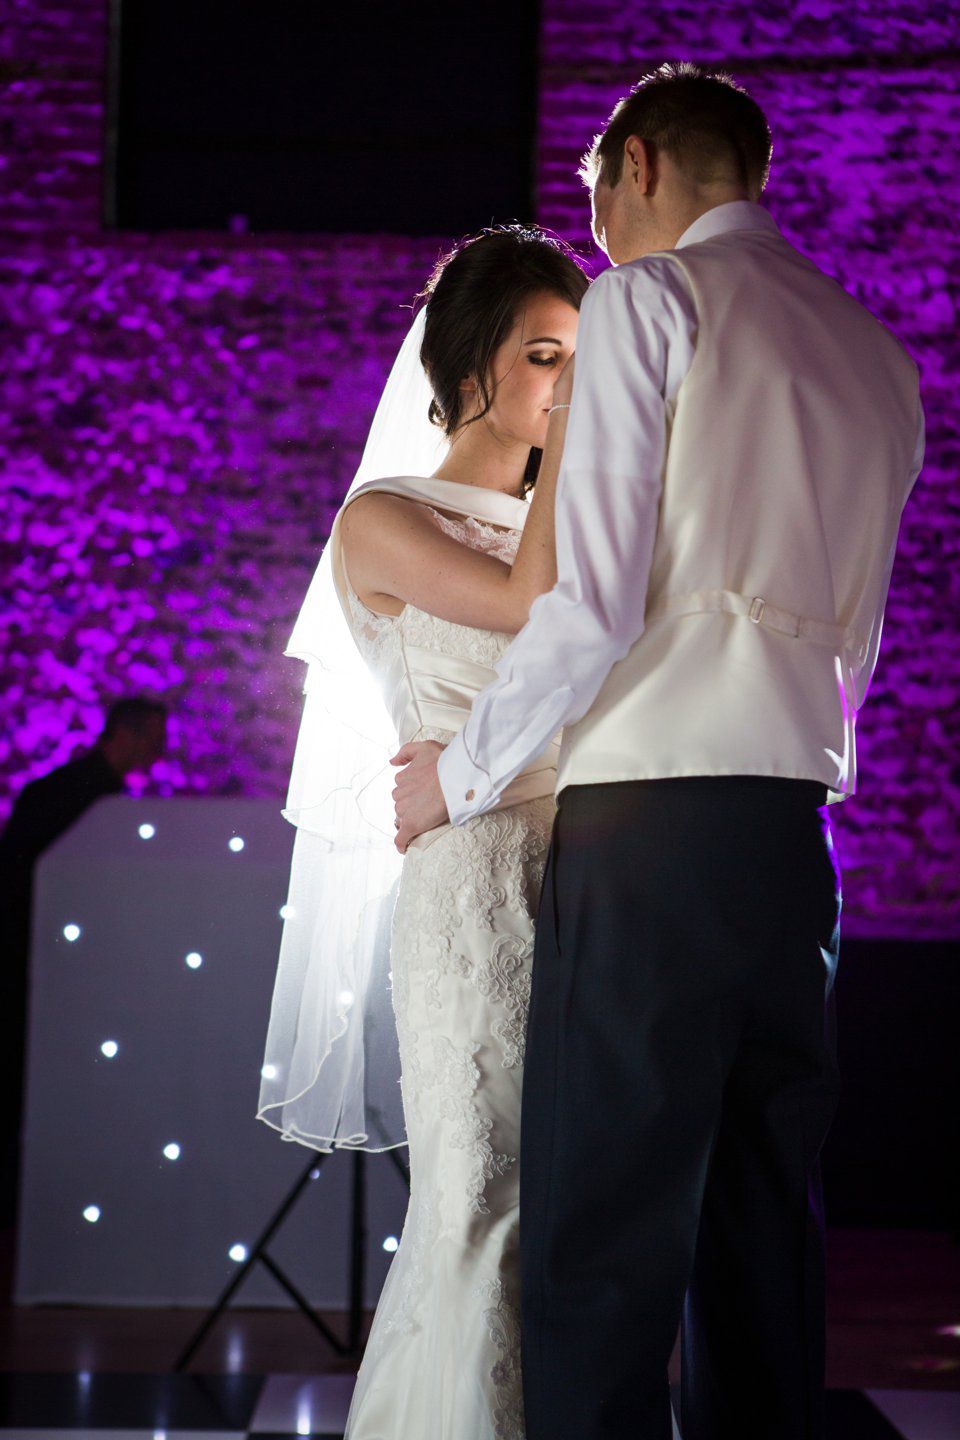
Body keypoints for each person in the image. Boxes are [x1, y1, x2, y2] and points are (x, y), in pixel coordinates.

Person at [393, 65, 924, 1440]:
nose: (603, 235)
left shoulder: (653, 300)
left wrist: (457, 782)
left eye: (596, 199)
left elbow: (592, 599)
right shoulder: (877, 353)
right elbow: (858, 634)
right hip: (794, 844)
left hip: (645, 840)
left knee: (602, 1247)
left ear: (634, 162)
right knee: (764, 1244)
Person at [257, 227, 588, 1440]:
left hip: (597, 870)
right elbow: (527, 606)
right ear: (464, 369)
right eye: (548, 355)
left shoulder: (578, 519)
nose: (571, 383)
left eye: (584, 357)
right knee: (481, 1196)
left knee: (577, 1205)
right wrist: (587, 458)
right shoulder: (383, 519)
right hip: (478, 877)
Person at [0, 696, 168, 1226]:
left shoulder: (85, 792)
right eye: (156, 737)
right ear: (130, 734)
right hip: (39, 960)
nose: (162, 750)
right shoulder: (83, 797)